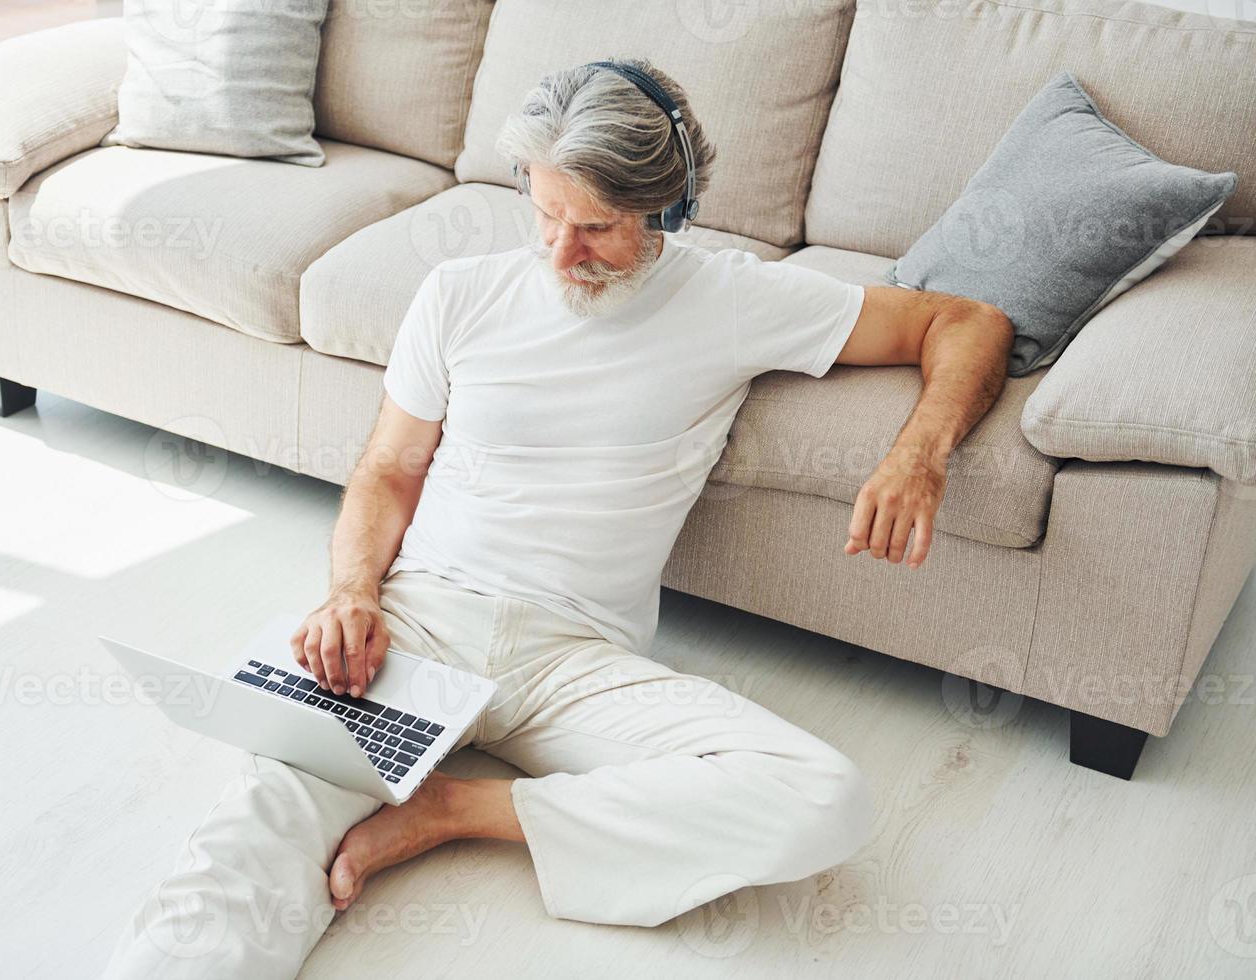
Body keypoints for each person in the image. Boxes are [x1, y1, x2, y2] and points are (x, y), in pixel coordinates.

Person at [101, 57, 1012, 978]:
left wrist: (916, 457)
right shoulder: (460, 294)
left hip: (580, 659)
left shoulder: (737, 300)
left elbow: (966, 322)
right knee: (254, 826)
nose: (560, 252)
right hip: (423, 620)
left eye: (596, 228)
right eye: (543, 213)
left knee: (826, 797)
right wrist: (350, 593)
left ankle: (452, 810)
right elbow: (387, 469)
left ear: (669, 211)